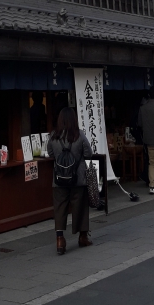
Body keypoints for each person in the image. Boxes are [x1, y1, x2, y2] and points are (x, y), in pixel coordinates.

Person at [47, 107, 93, 255]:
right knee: (80, 206)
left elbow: (50, 153)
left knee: (59, 208)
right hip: (78, 178)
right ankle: (82, 236)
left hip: (59, 179)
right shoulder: (79, 135)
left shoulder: (53, 136)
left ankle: (60, 239)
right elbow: (89, 153)